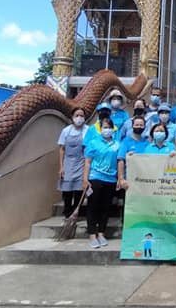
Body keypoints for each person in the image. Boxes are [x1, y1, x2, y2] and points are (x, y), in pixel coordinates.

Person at [82, 117, 120, 249]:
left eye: (109, 127)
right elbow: (87, 161)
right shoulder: (93, 143)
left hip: (111, 179)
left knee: (105, 208)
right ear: (100, 129)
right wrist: (85, 179)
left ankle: (101, 233)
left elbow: (121, 159)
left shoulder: (117, 144)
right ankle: (92, 234)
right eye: (104, 127)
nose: (107, 130)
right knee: (93, 207)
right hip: (95, 177)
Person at [57, 106, 87, 218]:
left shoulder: (87, 130)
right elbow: (61, 149)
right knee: (67, 189)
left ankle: (76, 211)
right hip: (68, 162)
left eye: (82, 116)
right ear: (72, 117)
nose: (79, 118)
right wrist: (61, 167)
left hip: (82, 162)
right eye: (77, 115)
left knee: (79, 189)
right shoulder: (66, 131)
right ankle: (67, 212)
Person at [117, 115, 150, 184]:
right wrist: (121, 178)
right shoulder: (125, 142)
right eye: (137, 125)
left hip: (143, 179)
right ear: (132, 126)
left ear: (144, 127)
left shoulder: (147, 143)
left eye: (141, 125)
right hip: (128, 178)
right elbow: (121, 161)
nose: (139, 127)